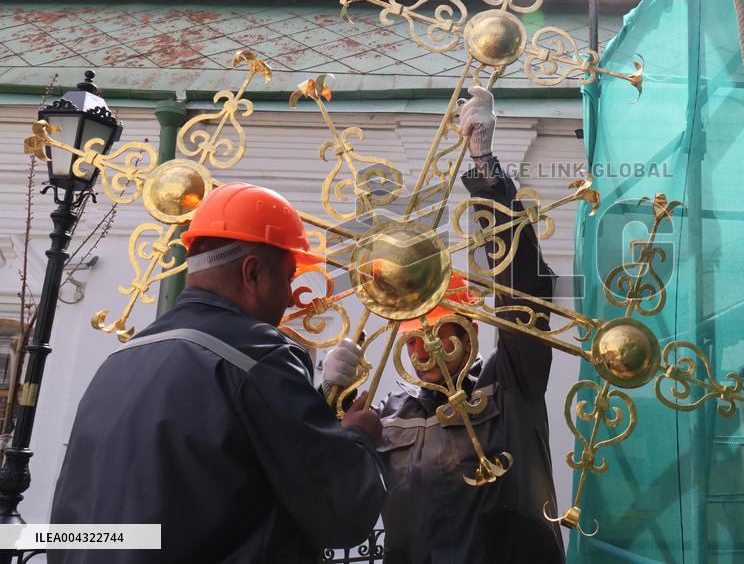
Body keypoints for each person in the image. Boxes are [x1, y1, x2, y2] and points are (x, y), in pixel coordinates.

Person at [50, 182, 386, 564]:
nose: (293, 296)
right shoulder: (258, 355)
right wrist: (359, 437)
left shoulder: (118, 362)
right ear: (254, 273)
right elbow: (345, 513)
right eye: (290, 278)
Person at [328, 87, 566, 564]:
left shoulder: (509, 387)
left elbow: (525, 297)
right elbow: (323, 486)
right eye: (415, 337)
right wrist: (328, 401)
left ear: (471, 329)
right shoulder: (387, 418)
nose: (427, 349)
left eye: (441, 331)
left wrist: (485, 168)